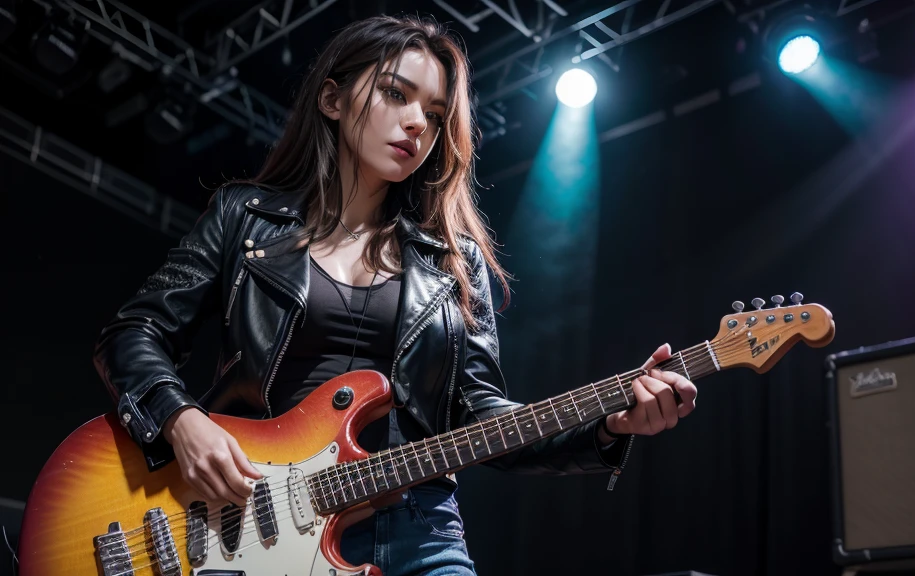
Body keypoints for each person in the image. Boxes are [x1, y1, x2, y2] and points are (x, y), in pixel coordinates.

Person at [93, 14, 698, 576]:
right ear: (332, 98)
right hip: (257, 523)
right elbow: (132, 333)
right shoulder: (243, 218)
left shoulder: (454, 263)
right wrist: (181, 419)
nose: (418, 124)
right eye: (396, 94)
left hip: (420, 529)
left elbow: (480, 413)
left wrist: (608, 424)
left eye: (436, 115)